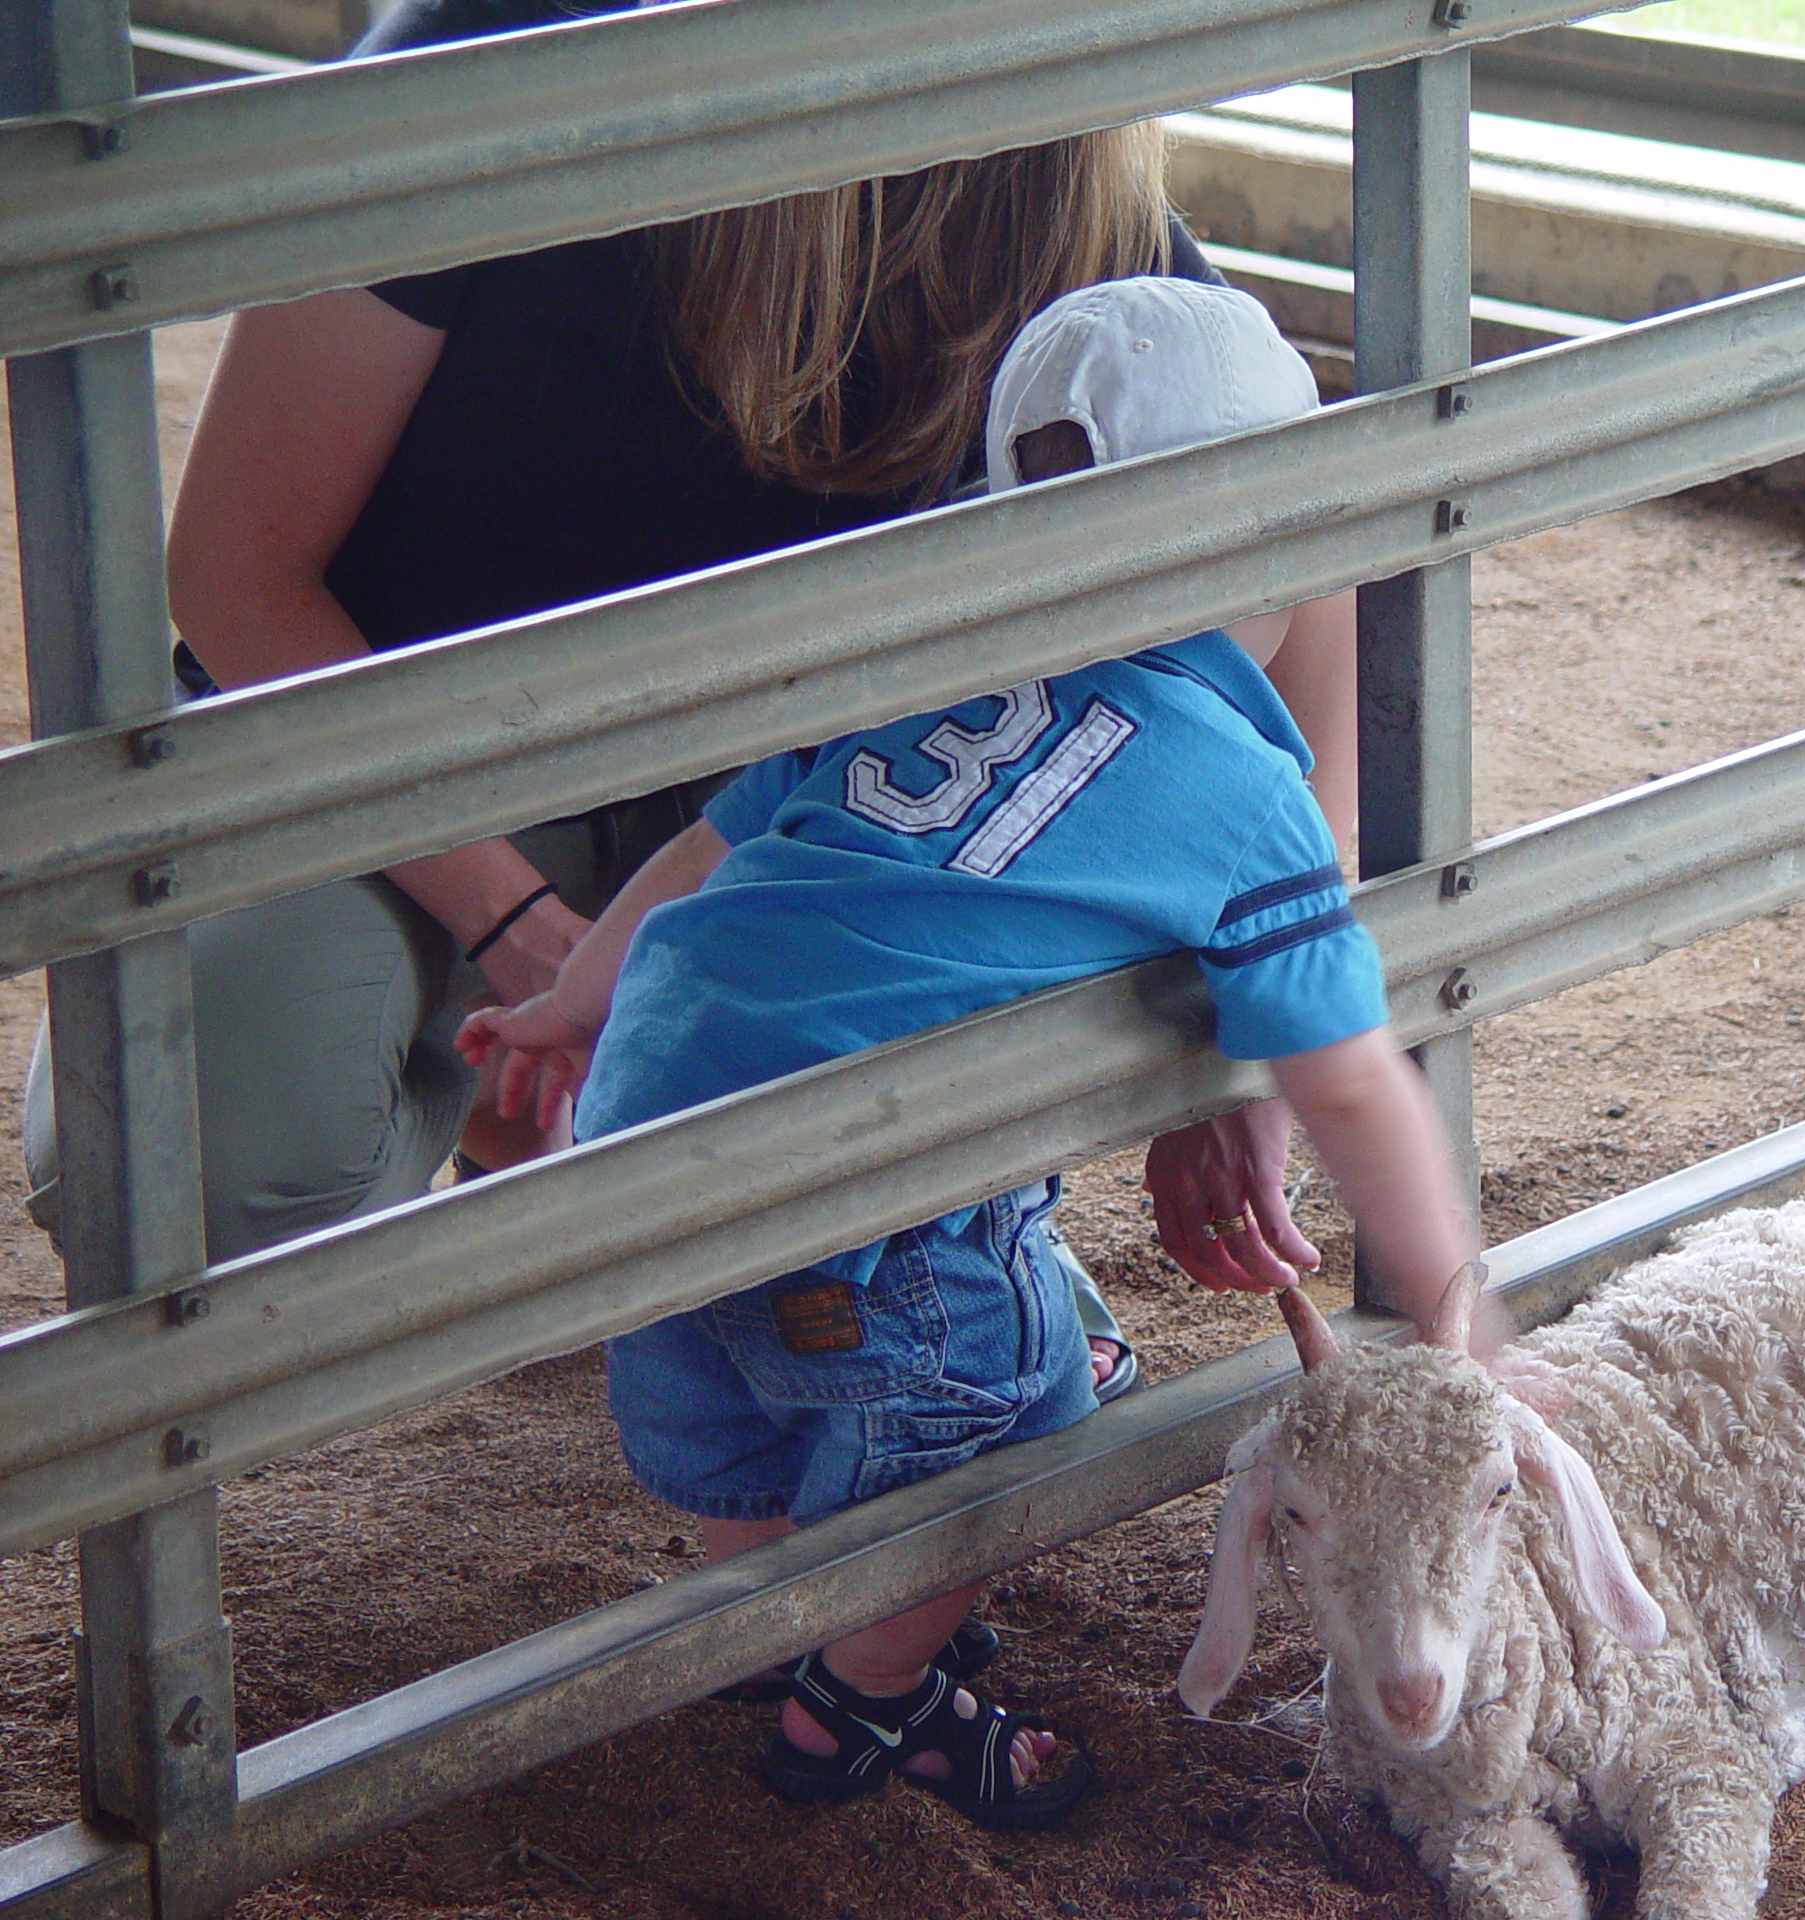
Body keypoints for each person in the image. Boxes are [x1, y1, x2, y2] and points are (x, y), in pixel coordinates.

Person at [18, 0, 1357, 1401]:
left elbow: (1300, 569)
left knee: (1101, 784)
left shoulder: (1056, 148)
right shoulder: (495, 52)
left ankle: (924, 1242)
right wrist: (529, 937)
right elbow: (238, 577)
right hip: (403, 778)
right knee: (188, 1170)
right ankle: (563, 1136)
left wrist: (1246, 1042)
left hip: (798, 811)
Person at [455, 277, 1477, 1830]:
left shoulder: (914, 659)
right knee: (1014, 1413)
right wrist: (1452, 1290)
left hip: (640, 1143)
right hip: (879, 1230)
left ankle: (796, 1623)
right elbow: (1345, 1077)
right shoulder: (1236, 785)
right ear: (1270, 537)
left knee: (746, 1418)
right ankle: (863, 1702)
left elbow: (704, 849)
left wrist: (568, 1003)